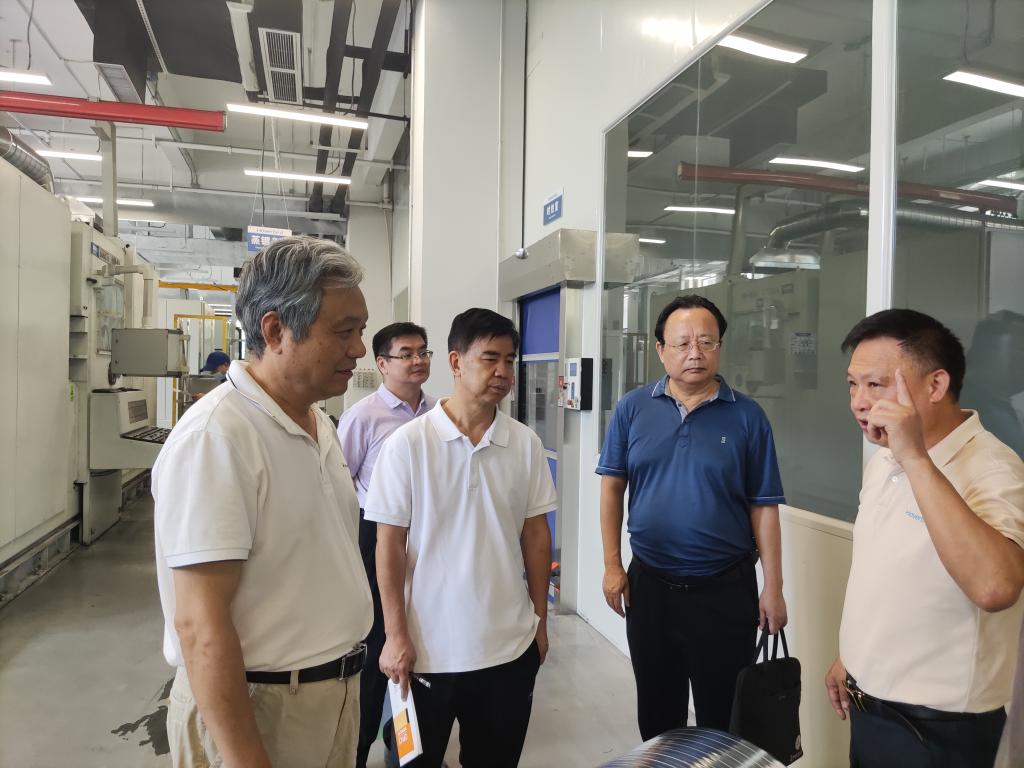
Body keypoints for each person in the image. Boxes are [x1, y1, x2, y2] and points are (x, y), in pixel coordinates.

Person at [152, 236, 373, 768]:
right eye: (343, 331)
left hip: (328, 695)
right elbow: (199, 625)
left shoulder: (317, 421)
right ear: (275, 331)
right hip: (258, 707)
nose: (359, 349)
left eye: (361, 331)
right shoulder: (218, 437)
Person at [825, 309, 1024, 768]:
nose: (859, 402)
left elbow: (995, 587)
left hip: (938, 726)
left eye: (875, 385)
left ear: (936, 385)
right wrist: (852, 657)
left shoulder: (993, 469)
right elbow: (886, 574)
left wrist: (916, 458)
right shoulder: (883, 460)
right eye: (852, 384)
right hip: (870, 703)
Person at [365, 308, 555, 768]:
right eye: (490, 358)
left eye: (510, 360)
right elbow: (388, 546)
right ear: (455, 362)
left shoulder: (524, 443)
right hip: (426, 652)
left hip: (508, 650)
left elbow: (536, 536)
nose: (502, 371)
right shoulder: (408, 444)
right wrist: (394, 636)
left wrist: (539, 622)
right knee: (411, 762)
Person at [598, 294, 787, 739]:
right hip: (650, 587)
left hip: (725, 590)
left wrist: (773, 588)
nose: (695, 353)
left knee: (722, 719)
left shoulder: (748, 416)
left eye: (706, 341)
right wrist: (612, 565)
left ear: (720, 347)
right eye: (682, 343)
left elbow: (763, 505)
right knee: (657, 713)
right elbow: (612, 486)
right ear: (660, 349)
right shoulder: (632, 408)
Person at [336, 321, 437, 768]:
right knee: (379, 641)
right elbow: (341, 485)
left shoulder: (438, 413)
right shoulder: (364, 415)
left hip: (427, 536)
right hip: (375, 534)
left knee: (422, 634)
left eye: (423, 352)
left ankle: (407, 746)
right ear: (381, 363)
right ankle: (358, 750)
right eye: (406, 353)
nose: (418, 360)